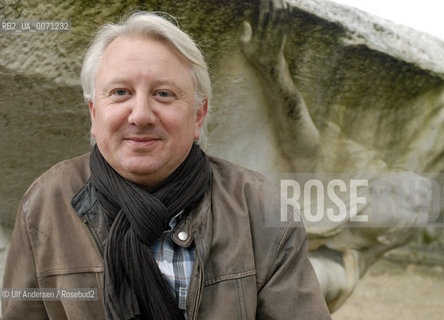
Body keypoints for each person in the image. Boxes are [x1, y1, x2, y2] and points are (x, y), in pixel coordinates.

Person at [2, 12, 331, 320]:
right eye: (120, 92)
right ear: (93, 113)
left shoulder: (262, 210)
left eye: (163, 94)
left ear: (198, 115)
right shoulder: (46, 203)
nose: (141, 115)